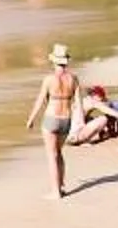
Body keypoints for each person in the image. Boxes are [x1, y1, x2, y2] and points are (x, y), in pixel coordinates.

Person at [21, 44, 82, 198]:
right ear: (66, 61)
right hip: (66, 119)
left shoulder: (49, 79)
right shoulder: (73, 79)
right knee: (59, 153)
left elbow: (40, 101)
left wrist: (31, 119)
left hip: (51, 119)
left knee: (51, 155)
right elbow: (78, 103)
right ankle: (61, 186)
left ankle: (55, 192)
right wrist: (79, 122)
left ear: (54, 61)